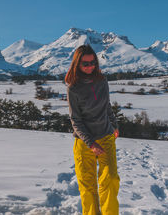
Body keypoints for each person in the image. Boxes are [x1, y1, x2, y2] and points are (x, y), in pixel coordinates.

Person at [65, 44, 120, 215]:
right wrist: (90, 143)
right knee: (88, 188)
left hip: (106, 136)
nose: (90, 67)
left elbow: (107, 106)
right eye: (85, 64)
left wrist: (115, 125)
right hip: (84, 142)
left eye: (92, 63)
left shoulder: (102, 81)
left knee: (110, 180)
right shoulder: (73, 88)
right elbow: (75, 120)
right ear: (77, 64)